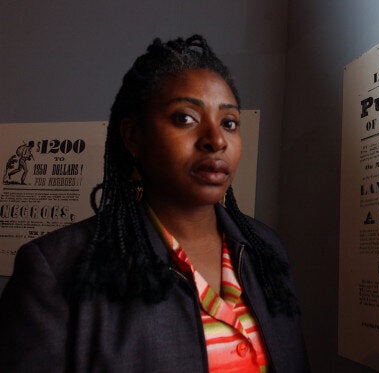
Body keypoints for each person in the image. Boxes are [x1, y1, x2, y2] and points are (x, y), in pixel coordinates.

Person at [0, 35, 309, 372]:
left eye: (229, 123)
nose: (216, 140)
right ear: (134, 136)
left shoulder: (266, 250)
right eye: (185, 118)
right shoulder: (55, 268)